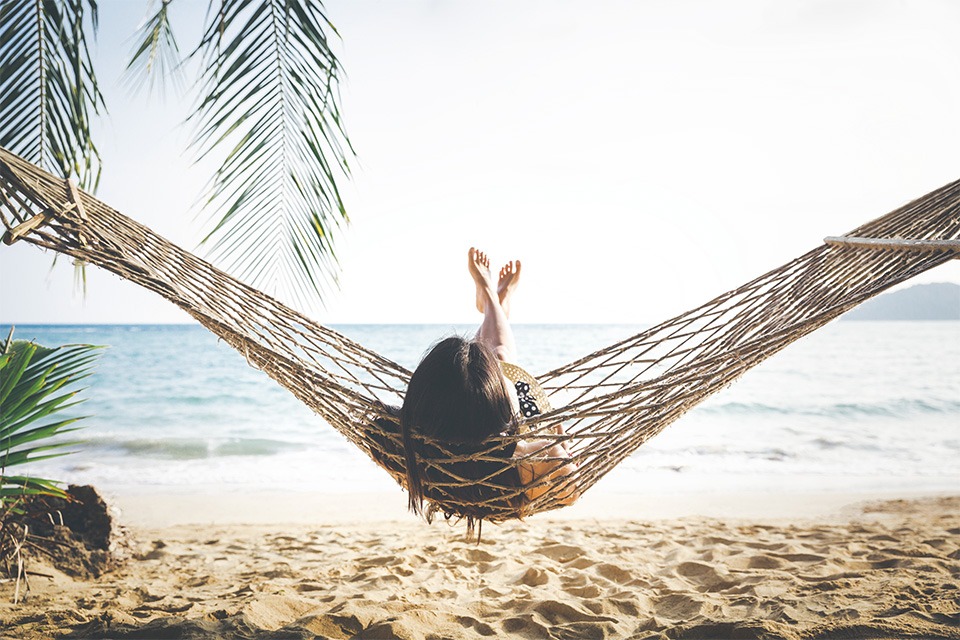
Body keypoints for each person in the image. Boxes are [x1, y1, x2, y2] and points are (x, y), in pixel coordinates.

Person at [399, 247, 579, 519]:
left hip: (466, 445)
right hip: (520, 432)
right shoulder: (542, 456)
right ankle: (491, 300)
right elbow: (570, 494)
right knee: (500, 355)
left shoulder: (418, 447)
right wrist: (560, 444)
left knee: (481, 362)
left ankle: (493, 303)